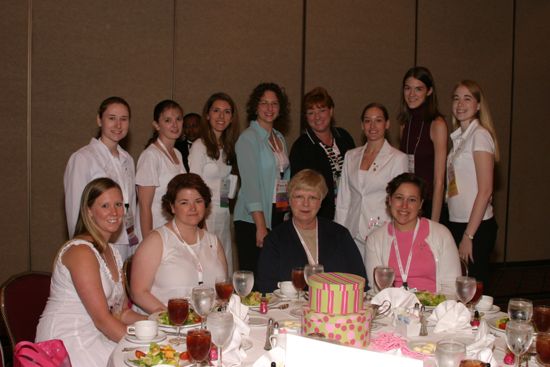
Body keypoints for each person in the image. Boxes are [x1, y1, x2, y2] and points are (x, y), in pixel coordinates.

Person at [36, 178, 145, 367]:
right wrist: (145, 345)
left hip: (96, 333)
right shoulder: (81, 252)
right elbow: (103, 320)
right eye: (105, 206)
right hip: (66, 340)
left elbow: (123, 312)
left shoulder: (113, 252)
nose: (114, 212)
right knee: (141, 360)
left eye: (119, 204)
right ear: (89, 212)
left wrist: (158, 324)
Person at [131, 173, 228, 314]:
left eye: (198, 201)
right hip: (166, 326)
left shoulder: (213, 242)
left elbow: (222, 291)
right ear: (172, 207)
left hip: (207, 324)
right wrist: (174, 317)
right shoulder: (156, 241)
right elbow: (138, 293)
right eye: (184, 202)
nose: (193, 208)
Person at [257, 169, 366, 293]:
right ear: (290, 200)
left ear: (321, 202)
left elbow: (360, 280)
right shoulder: (275, 239)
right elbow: (265, 286)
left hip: (336, 308)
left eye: (313, 198)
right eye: (299, 197)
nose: (305, 204)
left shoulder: (340, 235)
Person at [64, 96, 138, 260]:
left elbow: (130, 206)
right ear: (99, 120)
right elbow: (75, 210)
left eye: (123, 119)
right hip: (95, 241)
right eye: (112, 118)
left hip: (124, 241)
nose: (118, 125)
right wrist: (82, 249)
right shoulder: (83, 158)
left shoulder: (128, 160)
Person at [335, 103, 407, 268]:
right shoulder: (351, 156)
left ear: (387, 124)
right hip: (352, 233)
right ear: (362, 125)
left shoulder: (397, 158)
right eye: (368, 121)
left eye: (378, 120)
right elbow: (343, 199)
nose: (372, 126)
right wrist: (338, 233)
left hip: (380, 232)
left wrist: (391, 233)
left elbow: (399, 201)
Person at [365, 173, 460, 293]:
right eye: (399, 197)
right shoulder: (375, 239)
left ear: (420, 204)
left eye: (412, 200)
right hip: (392, 308)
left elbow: (451, 287)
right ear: (389, 200)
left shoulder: (441, 234)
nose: (404, 205)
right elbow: (376, 288)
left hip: (433, 309)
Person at [234, 82, 290, 276]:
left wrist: (285, 214)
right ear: (255, 106)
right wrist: (260, 225)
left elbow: (284, 179)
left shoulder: (279, 138)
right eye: (264, 103)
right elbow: (250, 186)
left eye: (274, 104)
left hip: (276, 214)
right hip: (252, 219)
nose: (269, 108)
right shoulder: (248, 139)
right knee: (255, 276)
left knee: (274, 274)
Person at [446, 80, 499, 285]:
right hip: (458, 222)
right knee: (460, 289)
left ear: (478, 105)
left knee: (475, 292)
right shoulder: (459, 138)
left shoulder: (480, 135)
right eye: (456, 98)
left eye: (467, 98)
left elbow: (485, 191)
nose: (460, 104)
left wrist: (468, 236)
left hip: (475, 227)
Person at [189, 92, 240, 274]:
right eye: (216, 111)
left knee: (224, 263)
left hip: (224, 214)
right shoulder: (199, 146)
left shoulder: (227, 148)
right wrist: (201, 221)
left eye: (227, 112)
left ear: (231, 118)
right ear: (207, 115)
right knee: (208, 266)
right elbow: (193, 187)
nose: (221, 116)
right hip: (206, 216)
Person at [290, 87, 355, 220]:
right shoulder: (301, 147)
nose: (317, 117)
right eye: (311, 112)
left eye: (322, 110)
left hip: (349, 212)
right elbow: (299, 189)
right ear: (305, 117)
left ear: (331, 111)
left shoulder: (344, 137)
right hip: (319, 217)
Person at [398, 66, 448, 222]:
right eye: (408, 88)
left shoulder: (437, 124)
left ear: (429, 91)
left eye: (418, 89)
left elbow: (439, 182)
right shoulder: (404, 124)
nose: (412, 94)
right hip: (408, 206)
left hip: (429, 206)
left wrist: (434, 224)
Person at [136, 100, 186, 239]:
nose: (175, 125)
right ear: (157, 125)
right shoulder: (150, 155)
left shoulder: (178, 154)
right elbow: (144, 206)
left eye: (178, 119)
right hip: (154, 230)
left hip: (173, 229)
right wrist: (148, 241)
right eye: (168, 120)